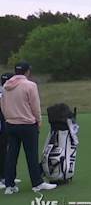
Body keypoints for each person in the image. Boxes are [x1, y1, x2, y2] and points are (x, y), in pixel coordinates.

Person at [1, 62, 56, 194]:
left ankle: (9, 185)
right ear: (27, 71)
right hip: (27, 124)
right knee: (31, 155)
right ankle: (37, 183)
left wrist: (8, 118)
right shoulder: (30, 85)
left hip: (11, 124)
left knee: (11, 155)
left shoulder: (6, 86)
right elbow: (35, 105)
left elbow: (3, 105)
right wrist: (38, 120)